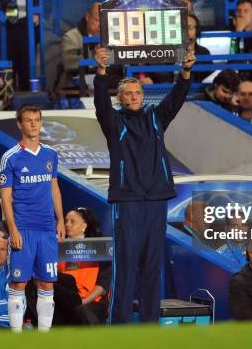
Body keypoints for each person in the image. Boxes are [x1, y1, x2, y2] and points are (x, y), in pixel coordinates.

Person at [93, 46, 195, 324]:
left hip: (156, 200)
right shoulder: (113, 122)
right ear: (120, 97)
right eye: (128, 93)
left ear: (143, 95)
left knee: (152, 267)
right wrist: (101, 72)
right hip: (128, 200)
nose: (134, 97)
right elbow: (101, 104)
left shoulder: (155, 118)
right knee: (125, 266)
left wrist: (185, 73)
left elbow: (176, 99)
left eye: (138, 93)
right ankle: (120, 326)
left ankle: (150, 326)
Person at [0, 104, 66, 332]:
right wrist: (13, 230)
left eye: (37, 119)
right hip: (23, 228)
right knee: (19, 283)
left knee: (47, 283)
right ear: (19, 124)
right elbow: (5, 199)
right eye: (28, 120)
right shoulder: (10, 158)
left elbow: (54, 188)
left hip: (47, 229)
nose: (33, 124)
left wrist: (60, 219)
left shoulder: (50, 154)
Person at [34, 207, 110, 325]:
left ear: (84, 226)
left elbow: (103, 284)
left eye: (72, 221)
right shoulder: (57, 246)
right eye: (66, 221)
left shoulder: (100, 249)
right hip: (64, 295)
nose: (67, 224)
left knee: (81, 310)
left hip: (90, 301)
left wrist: (85, 301)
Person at [59, 2, 101, 89]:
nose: (100, 25)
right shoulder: (71, 37)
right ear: (88, 17)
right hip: (77, 88)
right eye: (97, 20)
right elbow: (69, 64)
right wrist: (94, 55)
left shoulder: (112, 38)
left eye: (104, 21)